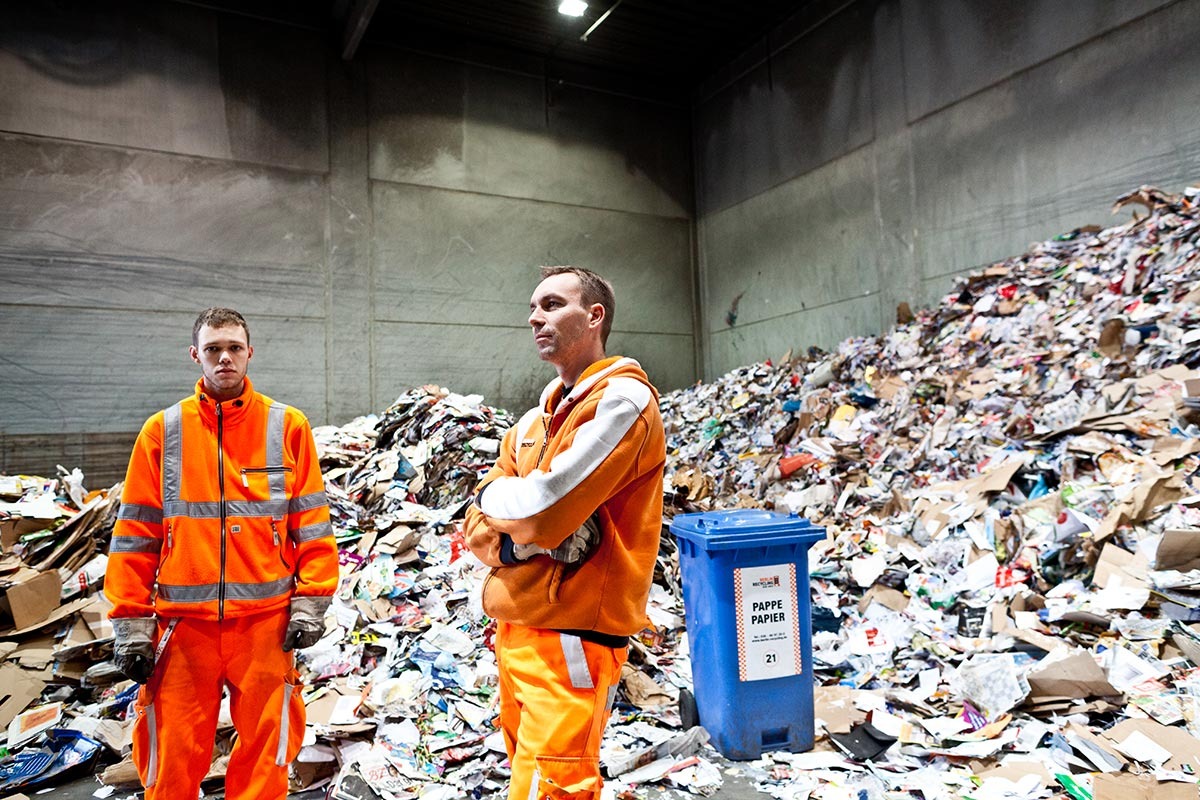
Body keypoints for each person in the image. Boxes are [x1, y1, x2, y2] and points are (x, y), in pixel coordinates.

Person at [105, 307, 340, 800]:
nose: (225, 358)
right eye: (214, 349)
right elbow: (135, 536)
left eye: (234, 348)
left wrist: (311, 602)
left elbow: (312, 527)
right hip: (183, 629)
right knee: (170, 760)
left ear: (250, 353)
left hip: (265, 627)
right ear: (196, 356)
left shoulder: (287, 426)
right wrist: (130, 627)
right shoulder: (163, 432)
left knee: (265, 758)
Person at [463, 266, 666, 799]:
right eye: (532, 307)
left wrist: (509, 509)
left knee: (554, 786)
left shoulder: (623, 402)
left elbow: (541, 507)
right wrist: (512, 540)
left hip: (573, 635)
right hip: (515, 631)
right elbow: (477, 523)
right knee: (525, 779)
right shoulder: (534, 420)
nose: (535, 317)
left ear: (594, 316)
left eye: (552, 304)